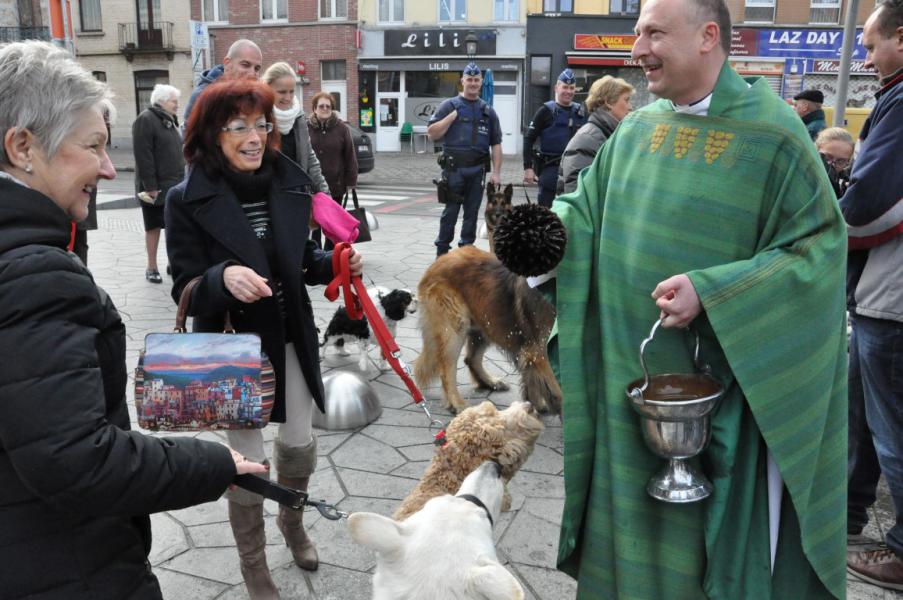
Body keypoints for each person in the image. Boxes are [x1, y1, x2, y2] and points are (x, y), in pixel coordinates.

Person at [548, 0, 848, 596]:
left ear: (709, 35)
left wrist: (714, 293)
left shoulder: (775, 135)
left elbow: (817, 254)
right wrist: (537, 242)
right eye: (636, 34)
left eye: (654, 33)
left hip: (727, 397)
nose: (637, 50)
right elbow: (582, 212)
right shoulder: (634, 129)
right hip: (627, 384)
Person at [0, 40, 266, 600]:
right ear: (23, 146)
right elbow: (77, 461)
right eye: (93, 145)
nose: (106, 166)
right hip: (68, 565)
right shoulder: (35, 275)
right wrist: (211, 461)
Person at [166, 77, 362, 599]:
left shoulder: (288, 181)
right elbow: (183, 283)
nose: (254, 137)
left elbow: (301, 262)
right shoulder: (185, 199)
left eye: (261, 124)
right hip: (233, 344)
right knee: (247, 456)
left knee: (298, 442)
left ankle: (292, 522)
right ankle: (253, 564)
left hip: (292, 333)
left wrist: (335, 261)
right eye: (238, 127)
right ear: (211, 134)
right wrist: (220, 279)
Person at [842, 0, 903, 590]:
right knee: (863, 417)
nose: (864, 56)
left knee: (891, 430)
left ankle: (902, 551)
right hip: (878, 293)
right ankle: (849, 514)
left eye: (869, 43)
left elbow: (868, 206)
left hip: (892, 294)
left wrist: (827, 230)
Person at [427, 62, 502, 257]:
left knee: (471, 215)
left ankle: (465, 255)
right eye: (469, 79)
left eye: (476, 80)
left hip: (477, 171)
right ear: (463, 81)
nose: (473, 83)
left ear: (480, 82)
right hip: (454, 170)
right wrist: (450, 118)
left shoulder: (488, 111)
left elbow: (496, 143)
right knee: (450, 213)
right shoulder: (449, 105)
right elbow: (432, 134)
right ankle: (441, 254)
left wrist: (496, 173)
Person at [260, 62, 332, 247]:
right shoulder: (260, 117)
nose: (288, 97)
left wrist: (325, 193)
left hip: (297, 196)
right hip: (266, 198)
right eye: (282, 92)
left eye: (291, 91)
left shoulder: (298, 116)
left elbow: (309, 157)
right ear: (267, 89)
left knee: (299, 251)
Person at [133, 83, 185, 283]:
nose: (177, 105)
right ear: (161, 101)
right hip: (154, 188)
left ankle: (172, 262)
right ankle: (151, 267)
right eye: (174, 101)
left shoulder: (170, 120)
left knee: (172, 226)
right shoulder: (145, 120)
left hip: (173, 185)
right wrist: (151, 187)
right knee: (153, 227)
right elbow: (143, 156)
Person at [557, 75, 633, 194]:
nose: (630, 107)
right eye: (626, 100)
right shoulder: (588, 139)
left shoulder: (608, 134)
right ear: (608, 102)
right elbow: (577, 196)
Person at [523, 68, 587, 207]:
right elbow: (529, 139)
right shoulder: (545, 111)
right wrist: (528, 167)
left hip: (574, 172)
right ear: (556, 88)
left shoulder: (581, 112)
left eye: (572, 88)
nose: (568, 91)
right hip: (550, 170)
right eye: (565, 87)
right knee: (546, 215)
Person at [307, 91, 359, 249]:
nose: (324, 109)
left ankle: (331, 257)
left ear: (332, 109)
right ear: (314, 109)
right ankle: (314, 257)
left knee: (332, 226)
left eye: (328, 106)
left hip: (335, 187)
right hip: (312, 188)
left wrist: (351, 182)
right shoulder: (305, 127)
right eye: (321, 106)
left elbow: (350, 155)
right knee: (313, 226)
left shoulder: (341, 128)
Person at [183, 39, 263, 124]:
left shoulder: (252, 95)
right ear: (227, 63)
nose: (252, 73)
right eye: (245, 65)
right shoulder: (204, 96)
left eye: (257, 68)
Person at [814, 127, 854, 197]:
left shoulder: (845, 185)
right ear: (815, 150)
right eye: (826, 157)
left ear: (847, 162)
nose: (831, 165)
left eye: (840, 161)